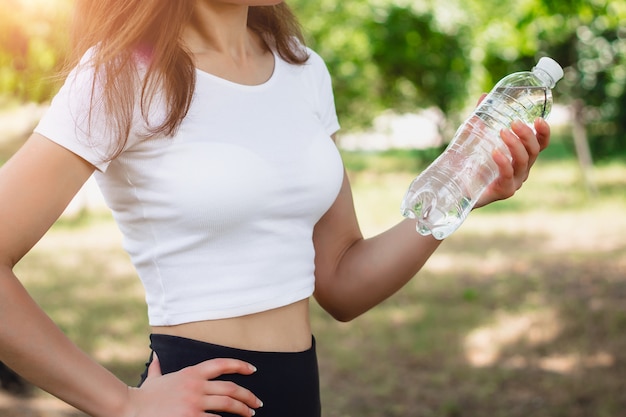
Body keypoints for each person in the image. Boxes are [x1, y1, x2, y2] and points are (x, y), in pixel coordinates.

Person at [0, 1, 551, 416]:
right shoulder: (120, 76)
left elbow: (341, 282)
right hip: (203, 398)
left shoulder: (302, 69)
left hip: (299, 391)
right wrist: (122, 404)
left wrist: (462, 195)